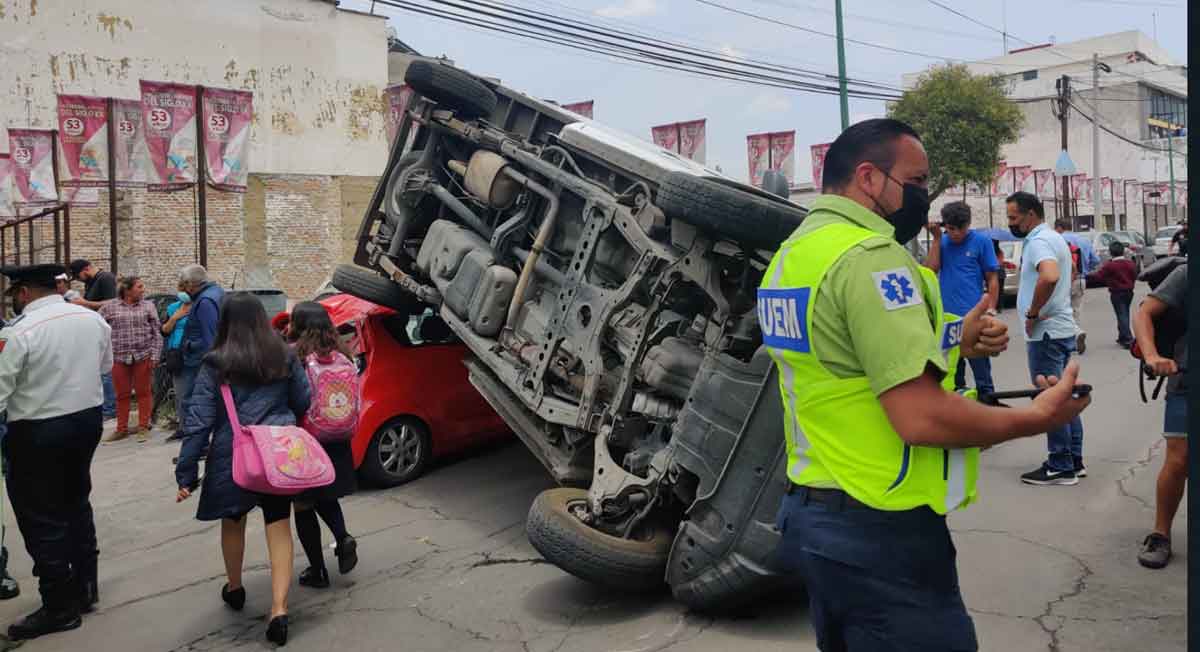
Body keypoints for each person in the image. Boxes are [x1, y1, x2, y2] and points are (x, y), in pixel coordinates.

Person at [762, 119, 1090, 652]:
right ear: (868, 178)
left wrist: (955, 338)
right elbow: (920, 417)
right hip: (879, 527)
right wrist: (1038, 419)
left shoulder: (793, 256)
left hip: (814, 516)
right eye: (915, 181)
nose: (923, 195)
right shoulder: (868, 257)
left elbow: (847, 355)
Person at [174, 292, 310, 646]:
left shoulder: (215, 362)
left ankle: (235, 588)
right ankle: (279, 609)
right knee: (279, 525)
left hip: (232, 454)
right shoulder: (285, 354)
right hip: (278, 450)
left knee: (233, 520)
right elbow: (303, 400)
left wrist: (186, 473)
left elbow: (199, 419)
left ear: (225, 322)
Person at [0, 264, 112, 640]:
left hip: (38, 428)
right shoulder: (91, 320)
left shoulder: (21, 332)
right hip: (85, 421)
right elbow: (105, 366)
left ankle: (58, 605)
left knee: (40, 515)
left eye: (14, 293)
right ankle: (84, 587)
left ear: (25, 293)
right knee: (76, 500)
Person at [1011, 194, 1086, 485]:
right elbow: (1069, 273)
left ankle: (1059, 464)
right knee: (1065, 396)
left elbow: (1050, 276)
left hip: (1045, 334)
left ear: (1031, 215)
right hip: (1061, 328)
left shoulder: (1038, 241)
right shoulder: (1056, 238)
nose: (1010, 224)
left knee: (1050, 397)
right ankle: (1073, 460)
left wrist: (1033, 313)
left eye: (1014, 218)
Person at [287, 302, 360, 589]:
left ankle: (317, 570)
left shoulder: (297, 356)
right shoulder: (343, 352)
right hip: (338, 436)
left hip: (307, 439)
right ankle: (343, 537)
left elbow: (296, 398)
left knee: (304, 504)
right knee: (328, 496)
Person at [1133, 263, 1187, 569]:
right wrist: (1152, 355)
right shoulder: (1187, 274)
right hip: (1188, 378)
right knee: (1178, 460)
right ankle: (1160, 534)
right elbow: (1145, 313)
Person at [923, 201, 1000, 397]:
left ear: (968, 224)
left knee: (982, 372)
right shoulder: (942, 242)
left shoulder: (982, 242)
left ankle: (988, 404)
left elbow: (992, 278)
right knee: (952, 375)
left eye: (960, 229)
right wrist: (937, 239)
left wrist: (991, 308)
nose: (956, 233)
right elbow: (931, 270)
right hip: (947, 320)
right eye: (950, 229)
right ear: (945, 226)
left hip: (974, 316)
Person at [98, 277, 162, 443]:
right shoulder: (109, 307)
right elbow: (98, 329)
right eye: (139, 287)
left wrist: (155, 355)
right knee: (122, 394)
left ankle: (143, 427)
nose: (143, 289)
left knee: (144, 392)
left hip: (143, 355)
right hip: (119, 357)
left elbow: (157, 333)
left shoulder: (149, 306)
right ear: (127, 290)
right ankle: (121, 429)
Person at [176, 264, 225, 443]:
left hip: (199, 361)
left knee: (193, 403)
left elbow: (209, 337)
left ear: (190, 284)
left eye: (183, 284)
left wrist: (193, 348)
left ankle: (197, 445)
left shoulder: (205, 301)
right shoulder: (215, 293)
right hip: (203, 359)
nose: (182, 288)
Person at [68, 260, 118, 421]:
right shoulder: (92, 282)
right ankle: (104, 406)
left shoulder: (105, 278)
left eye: (79, 276)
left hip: (108, 329)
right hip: (96, 328)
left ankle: (110, 408)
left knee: (106, 371)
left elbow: (113, 303)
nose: (80, 279)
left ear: (87, 269)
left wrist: (85, 303)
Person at [1053, 220, 1100, 354]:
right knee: (1076, 311)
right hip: (1081, 280)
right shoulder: (1083, 240)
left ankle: (1073, 335)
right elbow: (1095, 261)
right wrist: (1085, 269)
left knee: (1061, 311)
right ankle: (1075, 338)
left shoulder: (1058, 240)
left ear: (1059, 228)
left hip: (1063, 281)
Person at [1085, 241, 1137, 348]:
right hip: (1129, 292)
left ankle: (1128, 339)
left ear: (1111, 252)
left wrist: (1086, 275)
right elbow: (1134, 275)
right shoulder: (1130, 263)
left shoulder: (1110, 265)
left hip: (1117, 292)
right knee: (1124, 313)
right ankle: (1122, 336)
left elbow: (1098, 276)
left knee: (1121, 314)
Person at [160, 283, 193, 442]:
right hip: (176, 355)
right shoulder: (173, 307)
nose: (183, 293)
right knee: (181, 394)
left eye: (185, 289)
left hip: (195, 354)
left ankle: (195, 428)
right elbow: (164, 330)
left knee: (195, 394)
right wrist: (175, 317)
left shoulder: (201, 306)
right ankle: (183, 428)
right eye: (181, 289)